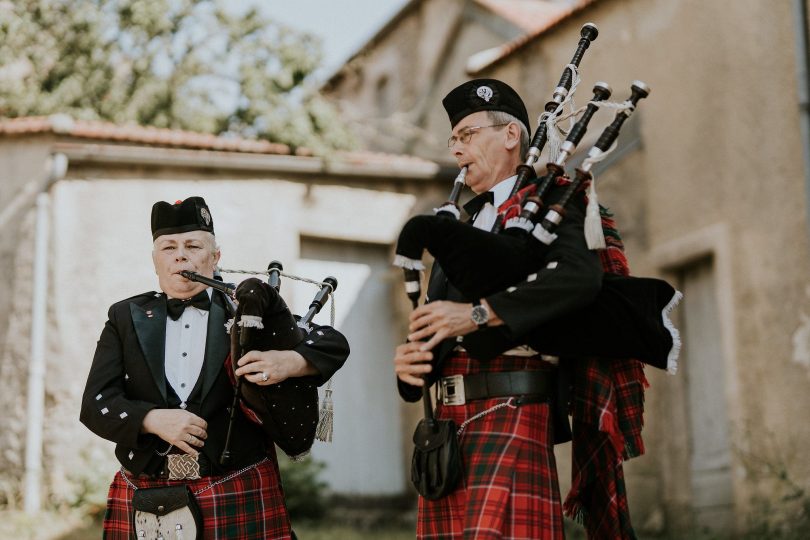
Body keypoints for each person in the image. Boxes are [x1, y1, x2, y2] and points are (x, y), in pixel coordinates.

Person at [393, 79, 605, 539]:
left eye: (466, 135)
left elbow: (578, 278)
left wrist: (476, 315)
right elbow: (438, 325)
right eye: (452, 140)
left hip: (511, 408)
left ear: (510, 135)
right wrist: (412, 367)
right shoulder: (460, 225)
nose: (456, 150)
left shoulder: (554, 199)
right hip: (445, 432)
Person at [80, 196, 349, 539]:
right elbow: (95, 403)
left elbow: (331, 341)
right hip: (145, 487)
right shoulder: (126, 316)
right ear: (155, 260)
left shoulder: (246, 314)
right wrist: (150, 419)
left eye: (193, 245)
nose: (180, 255)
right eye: (168, 247)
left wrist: (290, 361)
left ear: (215, 257)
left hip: (235, 484)